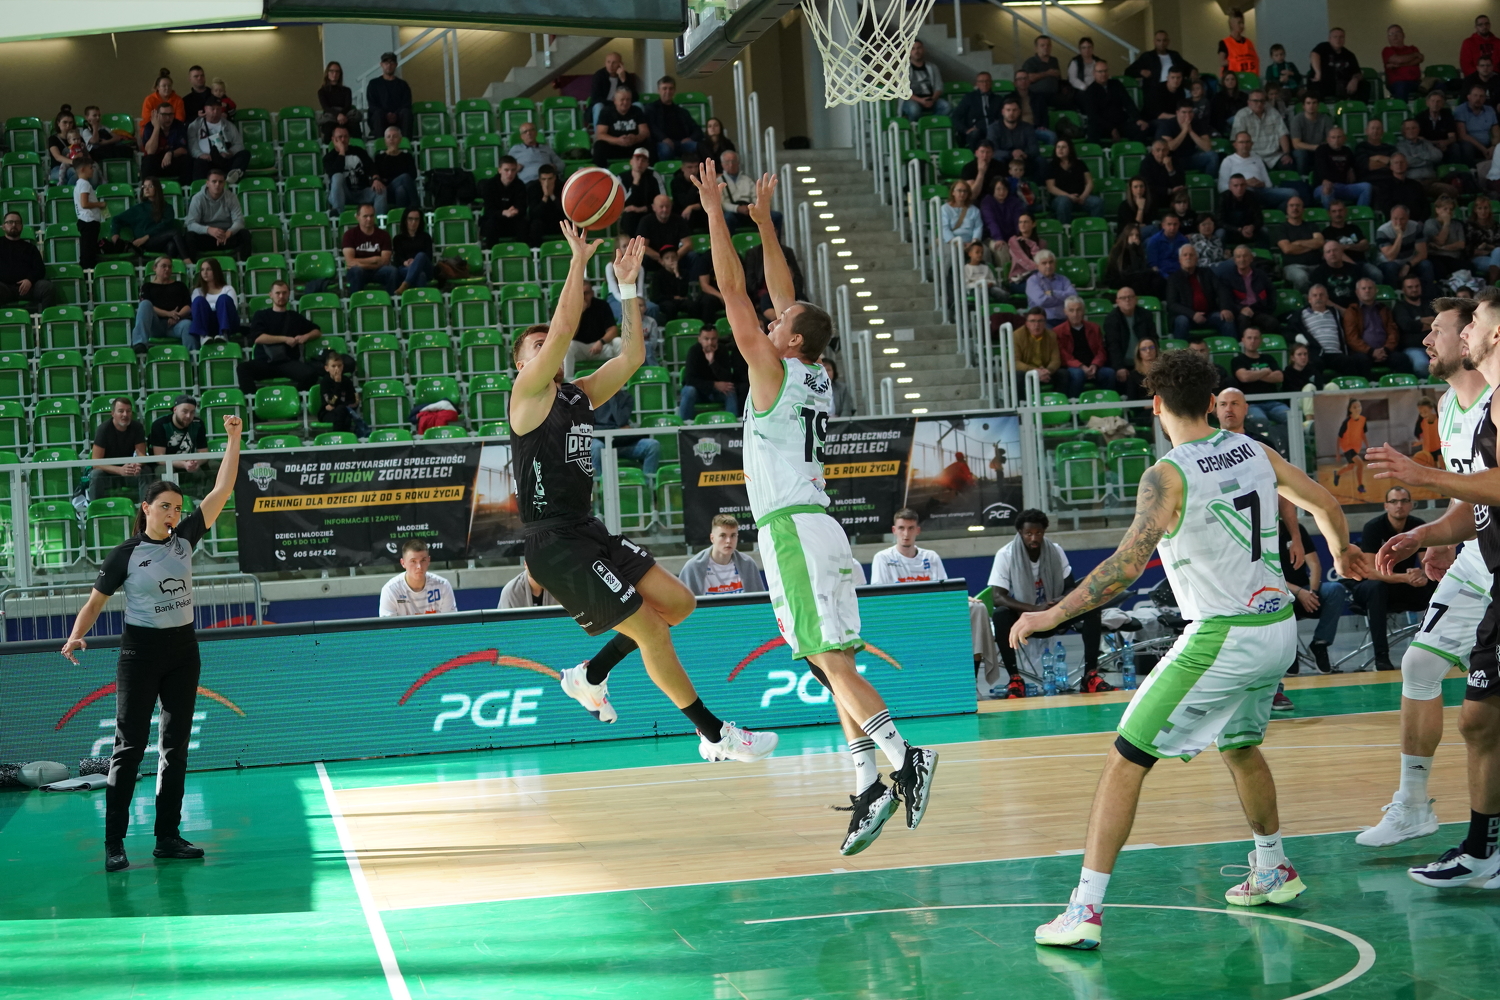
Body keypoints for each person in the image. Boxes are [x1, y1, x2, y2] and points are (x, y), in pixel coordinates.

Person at [1016, 346, 1364, 949]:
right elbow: (1326, 504)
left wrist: (1052, 613)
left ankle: (1084, 910)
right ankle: (1273, 867)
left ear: (1155, 406)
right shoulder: (1254, 449)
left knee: (1125, 759)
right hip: (1279, 629)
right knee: (1241, 745)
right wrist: (1341, 553)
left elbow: (1126, 566)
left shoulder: (1166, 475)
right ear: (1210, 402)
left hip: (1224, 636)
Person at [689, 161, 933, 855]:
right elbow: (784, 297)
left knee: (828, 658)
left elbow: (735, 291)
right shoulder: (815, 372)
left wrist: (715, 213)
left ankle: (905, 757)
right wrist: (764, 223)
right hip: (819, 526)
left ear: (791, 341)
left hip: (792, 530)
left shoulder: (770, 371)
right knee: (833, 664)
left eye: (780, 323)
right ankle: (867, 783)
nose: (771, 320)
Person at [512, 220, 776, 767]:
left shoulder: (577, 394)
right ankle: (714, 734)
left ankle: (590, 674)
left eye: (546, 345)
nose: (546, 348)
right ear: (522, 365)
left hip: (586, 529)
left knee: (679, 603)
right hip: (553, 543)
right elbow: (563, 329)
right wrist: (579, 261)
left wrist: (629, 286)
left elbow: (632, 357)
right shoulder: (527, 393)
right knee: (653, 631)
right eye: (535, 347)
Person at [62, 414, 243, 873]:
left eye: (177, 508)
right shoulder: (125, 554)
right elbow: (95, 602)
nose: (172, 514)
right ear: (146, 509)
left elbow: (222, 489)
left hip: (183, 652)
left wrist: (234, 438)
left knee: (174, 749)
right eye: (165, 506)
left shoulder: (185, 540)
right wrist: (77, 634)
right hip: (140, 655)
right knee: (128, 749)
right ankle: (114, 842)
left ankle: (167, 837)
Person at [1363, 289, 1500, 887]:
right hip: (1479, 555)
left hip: (1495, 561)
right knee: (1426, 670)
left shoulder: (1496, 400)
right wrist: (1432, 535)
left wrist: (1423, 479)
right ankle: (1419, 807)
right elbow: (1470, 493)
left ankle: (1483, 842)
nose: (1431, 338)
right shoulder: (1448, 407)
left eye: (1445, 328)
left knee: (1483, 715)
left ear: (1478, 336)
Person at [871, 508, 1004, 697]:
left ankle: (970, 683)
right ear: (894, 530)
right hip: (902, 618)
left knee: (977, 608)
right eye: (901, 528)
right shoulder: (883, 558)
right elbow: (880, 599)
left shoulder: (930, 557)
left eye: (910, 528)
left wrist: (958, 597)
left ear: (918, 530)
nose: (906, 534)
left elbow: (944, 591)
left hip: (934, 615)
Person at [1350, 486, 1439, 671]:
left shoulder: (1418, 526)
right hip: (1374, 587)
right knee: (1376, 587)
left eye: (1404, 501)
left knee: (1439, 582)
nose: (1399, 505)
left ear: (1411, 505)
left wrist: (1422, 576)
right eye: (1394, 501)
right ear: (1386, 506)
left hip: (1405, 586)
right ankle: (1381, 657)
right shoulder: (1374, 527)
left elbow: (1427, 564)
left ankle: (1439, 651)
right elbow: (1370, 572)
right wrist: (1404, 578)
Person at [237, 280, 322, 397]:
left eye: (284, 293)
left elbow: (317, 331)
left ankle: (293, 399)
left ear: (289, 294)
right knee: (242, 369)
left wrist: (306, 336)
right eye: (278, 293)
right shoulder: (261, 315)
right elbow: (258, 338)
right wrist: (285, 339)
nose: (281, 296)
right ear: (271, 295)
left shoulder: (295, 317)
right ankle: (254, 402)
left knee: (311, 374)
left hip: (288, 362)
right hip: (265, 361)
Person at [1291, 283, 1372, 379]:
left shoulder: (1335, 312)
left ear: (1327, 298)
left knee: (1353, 361)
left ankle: (1355, 387)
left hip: (1336, 353)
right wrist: (1301, 339)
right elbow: (1289, 331)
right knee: (1315, 364)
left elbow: (1352, 317)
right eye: (1315, 295)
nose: (1318, 298)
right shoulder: (1301, 314)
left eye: (1321, 295)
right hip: (1316, 353)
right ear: (1309, 299)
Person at [678, 514, 766, 596]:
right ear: (712, 538)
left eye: (733, 535)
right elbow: (682, 603)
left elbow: (760, 603)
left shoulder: (748, 564)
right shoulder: (693, 567)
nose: (728, 541)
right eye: (723, 535)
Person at [105, 176, 187, 262]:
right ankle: (187, 261)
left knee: (171, 245)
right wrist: (115, 234)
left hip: (158, 241)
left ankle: (170, 267)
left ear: (157, 188)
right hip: (143, 244)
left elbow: (165, 225)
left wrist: (147, 236)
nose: (146, 189)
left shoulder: (167, 207)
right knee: (175, 232)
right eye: (144, 186)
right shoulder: (138, 208)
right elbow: (116, 219)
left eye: (150, 186)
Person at [589, 382, 660, 481]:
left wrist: (612, 398)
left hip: (623, 442)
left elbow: (620, 420)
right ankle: (600, 485)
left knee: (652, 445)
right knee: (597, 447)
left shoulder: (627, 398)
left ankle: (647, 485)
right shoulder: (593, 399)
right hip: (601, 440)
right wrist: (614, 429)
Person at [1166, 242, 1236, 341]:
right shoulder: (1174, 278)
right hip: (1186, 316)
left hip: (1208, 314)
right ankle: (1181, 350)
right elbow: (1172, 304)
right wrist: (1193, 314)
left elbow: (1222, 290)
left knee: (1227, 319)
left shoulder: (1207, 272)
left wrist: (1224, 308)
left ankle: (1232, 348)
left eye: (1191, 255)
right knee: (1181, 321)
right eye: (1185, 255)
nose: (1188, 257)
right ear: (1180, 260)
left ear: (1196, 259)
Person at [1344, 277, 1414, 374]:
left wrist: (1386, 349)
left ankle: (1403, 385)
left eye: (1370, 288)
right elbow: (1352, 338)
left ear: (1376, 290)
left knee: (1401, 359)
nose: (1367, 290)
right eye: (1363, 288)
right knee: (1360, 361)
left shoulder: (1384, 309)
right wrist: (1371, 351)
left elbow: (1393, 332)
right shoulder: (1352, 311)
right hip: (1363, 352)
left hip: (1385, 351)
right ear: (1357, 292)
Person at [678, 323, 745, 420]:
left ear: (717, 339)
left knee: (730, 390)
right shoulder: (694, 351)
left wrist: (712, 363)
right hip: (699, 391)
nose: (710, 342)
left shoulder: (722, 350)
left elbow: (727, 377)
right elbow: (689, 379)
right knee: (689, 391)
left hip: (717, 392)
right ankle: (684, 424)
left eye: (713, 339)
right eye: (706, 339)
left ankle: (732, 423)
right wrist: (714, 385)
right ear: (699, 339)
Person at [1219, 132, 1301, 210]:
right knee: (1249, 192)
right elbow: (1222, 187)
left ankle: (1277, 213)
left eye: (1247, 142)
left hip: (1261, 191)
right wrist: (1244, 184)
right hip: (1243, 194)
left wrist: (1261, 183)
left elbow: (1268, 184)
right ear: (1235, 144)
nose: (1244, 145)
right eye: (1241, 142)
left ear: (1252, 144)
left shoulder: (1257, 158)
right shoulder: (1228, 161)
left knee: (1292, 193)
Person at [183, 168, 250, 260]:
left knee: (244, 234)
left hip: (226, 236)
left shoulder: (231, 197)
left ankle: (245, 265)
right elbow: (191, 224)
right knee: (189, 237)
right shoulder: (197, 198)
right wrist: (209, 230)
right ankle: (193, 267)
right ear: (207, 183)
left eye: (220, 182)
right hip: (206, 236)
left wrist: (229, 232)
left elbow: (239, 221)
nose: (217, 184)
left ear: (224, 183)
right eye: (214, 181)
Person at [149, 394, 209, 495]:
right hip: (168, 464)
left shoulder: (198, 423)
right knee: (163, 471)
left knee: (214, 466)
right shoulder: (160, 424)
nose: (188, 416)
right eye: (185, 411)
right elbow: (160, 458)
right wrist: (183, 464)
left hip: (190, 462)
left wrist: (196, 462)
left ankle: (207, 499)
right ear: (175, 409)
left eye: (192, 412)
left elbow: (204, 453)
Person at [378, 539, 457, 616]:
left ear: (428, 560)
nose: (419, 566)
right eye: (413, 561)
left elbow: (450, 622)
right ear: (403, 563)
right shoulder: (391, 590)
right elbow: (388, 625)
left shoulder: (443, 586)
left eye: (423, 560)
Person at [89, 397, 147, 501]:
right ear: (113, 413)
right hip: (109, 473)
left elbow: (142, 456)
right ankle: (95, 508)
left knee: (145, 471)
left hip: (129, 471)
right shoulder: (103, 429)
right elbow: (96, 463)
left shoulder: (137, 427)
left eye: (128, 411)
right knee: (96, 474)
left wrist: (137, 465)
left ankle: (146, 508)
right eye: (121, 411)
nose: (125, 414)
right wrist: (119, 470)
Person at [1054, 296, 1111, 398]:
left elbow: (1101, 351)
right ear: (1065, 312)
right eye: (1071, 310)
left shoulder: (1094, 328)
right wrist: (1081, 366)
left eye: (1078, 310)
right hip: (1072, 367)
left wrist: (1095, 365)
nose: (1075, 314)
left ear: (1084, 311)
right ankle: (1073, 404)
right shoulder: (1058, 331)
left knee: (1109, 373)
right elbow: (1063, 355)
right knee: (1078, 375)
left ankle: (1107, 402)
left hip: (1093, 365)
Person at [132, 255, 193, 352]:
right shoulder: (147, 286)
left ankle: (192, 356)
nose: (167, 269)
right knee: (145, 304)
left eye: (169, 267)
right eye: (163, 266)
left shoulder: (180, 286)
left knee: (188, 324)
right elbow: (148, 307)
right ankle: (139, 343)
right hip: (155, 325)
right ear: (155, 268)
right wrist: (168, 314)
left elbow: (188, 305)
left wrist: (177, 316)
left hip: (176, 324)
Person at [1082, 59, 1147, 143]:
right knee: (1092, 131)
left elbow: (1128, 103)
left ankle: (1134, 150)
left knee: (1141, 128)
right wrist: (1111, 129)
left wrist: (1138, 119)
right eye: (1100, 71)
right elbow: (1093, 115)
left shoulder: (1116, 84)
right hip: (1102, 126)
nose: (1103, 74)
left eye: (1105, 71)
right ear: (1094, 73)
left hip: (1120, 123)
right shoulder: (1090, 91)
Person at [1231, 327, 1286, 426]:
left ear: (1260, 340)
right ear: (1243, 340)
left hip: (1274, 402)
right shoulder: (1238, 360)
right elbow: (1244, 377)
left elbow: (1279, 377)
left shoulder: (1268, 358)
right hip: (1251, 404)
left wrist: (1253, 375)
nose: (1252, 341)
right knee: (1260, 421)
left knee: (1292, 417)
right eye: (1249, 338)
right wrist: (1265, 371)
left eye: (1256, 338)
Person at [325, 126, 384, 217]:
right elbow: (335, 172)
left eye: (346, 136)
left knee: (381, 189)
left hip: (362, 191)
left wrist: (376, 179)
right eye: (340, 137)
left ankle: (377, 220)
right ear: (333, 139)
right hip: (343, 193)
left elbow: (371, 166)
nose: (343, 139)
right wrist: (342, 152)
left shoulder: (359, 151)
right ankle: (338, 215)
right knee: (337, 176)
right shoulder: (329, 157)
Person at [0, 211, 53, 311]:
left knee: (47, 287)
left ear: (22, 226)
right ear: (3, 226)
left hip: (28, 288)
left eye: (17, 222)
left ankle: (47, 318)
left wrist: (29, 280)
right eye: (10, 222)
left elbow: (40, 269)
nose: (14, 225)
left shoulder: (30, 248)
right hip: (4, 288)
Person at [342, 203, 399, 295]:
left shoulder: (384, 235)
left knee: (392, 271)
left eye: (371, 216)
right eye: (365, 216)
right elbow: (350, 261)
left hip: (378, 271)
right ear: (357, 217)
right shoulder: (349, 235)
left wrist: (361, 264)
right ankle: (356, 301)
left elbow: (385, 261)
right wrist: (374, 260)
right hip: (360, 271)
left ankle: (391, 300)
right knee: (356, 271)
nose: (369, 219)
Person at [1044, 137, 1103, 225]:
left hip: (1080, 197)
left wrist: (1083, 197)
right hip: (1061, 198)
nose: (1060, 150)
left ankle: (1096, 227)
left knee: (1097, 202)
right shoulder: (1052, 166)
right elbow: (1051, 187)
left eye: (1063, 147)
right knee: (1063, 202)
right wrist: (1069, 196)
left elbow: (1089, 182)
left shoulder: (1079, 163)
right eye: (1058, 147)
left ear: (1070, 149)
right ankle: (1065, 229)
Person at [186, 98, 246, 183]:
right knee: (198, 163)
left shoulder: (229, 125)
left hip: (224, 158)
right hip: (206, 159)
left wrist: (231, 152)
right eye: (212, 109)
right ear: (205, 109)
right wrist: (200, 154)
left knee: (245, 154)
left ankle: (232, 176)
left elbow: (239, 144)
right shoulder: (195, 125)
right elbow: (192, 144)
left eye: (218, 109)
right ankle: (199, 187)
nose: (215, 112)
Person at [1272, 196, 1325, 292]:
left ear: (1303, 209)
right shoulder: (1281, 228)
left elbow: (1320, 242)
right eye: (1291, 205)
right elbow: (1287, 249)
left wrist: (1298, 243)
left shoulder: (1312, 226)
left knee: (1327, 275)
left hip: (1316, 265)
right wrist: (1311, 246)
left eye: (1298, 205)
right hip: (1292, 266)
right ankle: (1304, 299)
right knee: (1301, 277)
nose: (1295, 208)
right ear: (1287, 209)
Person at [1375, 205, 1435, 290]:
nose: (1398, 222)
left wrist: (1408, 265)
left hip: (1409, 260)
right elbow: (1391, 257)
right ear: (1391, 218)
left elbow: (1422, 254)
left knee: (1426, 265)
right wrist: (1399, 236)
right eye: (1395, 219)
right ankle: (1395, 293)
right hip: (1388, 262)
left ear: (1408, 218)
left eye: (1402, 219)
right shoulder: (1382, 231)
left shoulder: (1416, 227)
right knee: (1391, 267)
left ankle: (1427, 294)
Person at [1231, 90, 1293, 171]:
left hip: (1275, 156)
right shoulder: (1241, 115)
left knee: (1289, 166)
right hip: (1253, 156)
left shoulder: (1273, 112)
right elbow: (1238, 141)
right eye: (1255, 101)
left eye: (1262, 101)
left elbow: (1282, 134)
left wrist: (1286, 154)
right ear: (1249, 102)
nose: (1259, 104)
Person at [644, 75, 700, 162]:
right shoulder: (651, 109)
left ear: (674, 91)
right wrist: (664, 138)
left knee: (698, 146)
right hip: (661, 143)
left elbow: (696, 129)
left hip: (682, 143)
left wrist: (691, 139)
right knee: (666, 150)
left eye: (671, 88)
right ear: (658, 90)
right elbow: (651, 127)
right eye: (664, 88)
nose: (668, 91)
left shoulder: (682, 111)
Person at [1313, 126, 1371, 209]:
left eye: (1339, 137)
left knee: (1366, 187)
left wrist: (1352, 169)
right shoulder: (1321, 150)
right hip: (1323, 187)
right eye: (1333, 137)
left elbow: (1354, 167)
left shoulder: (1347, 151)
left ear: (1344, 139)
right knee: (1327, 187)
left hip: (1344, 186)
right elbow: (1321, 170)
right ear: (1328, 139)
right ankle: (1332, 215)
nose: (1336, 140)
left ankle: (1359, 212)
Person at [1223, 246, 1277, 334]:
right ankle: (1244, 342)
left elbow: (1271, 293)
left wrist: (1267, 309)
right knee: (1243, 320)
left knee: (1272, 322)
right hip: (1239, 312)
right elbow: (1226, 299)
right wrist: (1241, 309)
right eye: (1238, 257)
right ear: (1234, 260)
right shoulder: (1227, 277)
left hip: (1258, 310)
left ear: (1251, 258)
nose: (1242, 259)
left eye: (1245, 256)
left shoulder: (1261, 275)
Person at [1012, 307, 1063, 396]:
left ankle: (1059, 401)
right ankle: (1021, 404)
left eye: (1040, 321)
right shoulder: (1016, 335)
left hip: (1045, 371)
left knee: (1063, 374)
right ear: (1026, 323)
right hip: (1027, 372)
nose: (1036, 325)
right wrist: (1035, 371)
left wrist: (1048, 371)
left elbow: (1056, 360)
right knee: (1018, 375)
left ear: (1045, 323)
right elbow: (1015, 362)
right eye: (1032, 321)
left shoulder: (1051, 335)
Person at [593, 86, 648, 167]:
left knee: (649, 143)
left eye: (628, 99)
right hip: (613, 146)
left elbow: (645, 132)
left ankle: (650, 170)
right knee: (599, 146)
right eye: (622, 100)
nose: (625, 102)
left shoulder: (637, 111)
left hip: (633, 146)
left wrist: (635, 138)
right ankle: (601, 172)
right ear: (614, 101)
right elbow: (600, 135)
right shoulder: (606, 112)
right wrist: (617, 140)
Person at [1103, 286, 1151, 382]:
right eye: (1123, 298)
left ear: (1136, 299)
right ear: (1117, 302)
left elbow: (1152, 339)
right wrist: (1119, 367)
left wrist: (1151, 362)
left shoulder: (1145, 315)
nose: (1127, 300)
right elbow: (1113, 345)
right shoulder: (1111, 319)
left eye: (1130, 297)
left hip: (1143, 361)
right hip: (1123, 364)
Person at [479, 155, 528, 247]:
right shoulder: (489, 185)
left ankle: (522, 251)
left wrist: (516, 210)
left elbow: (522, 206)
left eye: (513, 170)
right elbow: (489, 209)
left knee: (524, 224)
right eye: (506, 170)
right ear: (499, 170)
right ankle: (491, 252)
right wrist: (503, 212)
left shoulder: (520, 185)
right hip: (495, 219)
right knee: (491, 224)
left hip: (514, 219)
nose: (510, 173)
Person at [188, 257, 238, 345]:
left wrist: (217, 307)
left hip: (227, 322)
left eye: (208, 269)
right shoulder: (198, 291)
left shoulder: (228, 289)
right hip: (207, 322)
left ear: (215, 271)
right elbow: (196, 311)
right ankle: (203, 337)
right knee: (198, 300)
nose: (205, 272)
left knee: (223, 298)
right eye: (202, 270)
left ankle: (224, 334)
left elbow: (233, 308)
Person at [988, 96, 1042, 176]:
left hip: (1023, 158)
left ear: (1019, 112)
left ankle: (1039, 184)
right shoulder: (993, 128)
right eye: (1008, 110)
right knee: (997, 160)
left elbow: (1034, 148)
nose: (1011, 113)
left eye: (1014, 110)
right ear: (1003, 112)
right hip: (1004, 158)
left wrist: (1023, 154)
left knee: (1040, 160)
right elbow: (993, 151)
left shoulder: (1027, 127)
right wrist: (1011, 153)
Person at [140, 102, 190, 187]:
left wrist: (170, 153)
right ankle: (147, 189)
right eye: (164, 115)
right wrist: (156, 128)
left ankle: (184, 190)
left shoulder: (179, 125)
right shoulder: (149, 126)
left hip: (172, 160)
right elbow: (150, 151)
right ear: (157, 115)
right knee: (148, 161)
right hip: (156, 162)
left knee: (187, 160)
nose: (168, 118)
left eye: (171, 114)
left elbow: (184, 149)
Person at [1020, 35, 1063, 132]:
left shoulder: (1054, 60)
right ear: (1036, 48)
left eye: (1048, 45)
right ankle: (1043, 129)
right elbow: (1028, 78)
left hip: (1054, 94)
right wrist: (1047, 73)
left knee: (1070, 102)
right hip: (1037, 95)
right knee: (1040, 101)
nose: (1046, 48)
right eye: (1042, 45)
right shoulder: (1030, 62)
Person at [618, 148, 665, 238]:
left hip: (650, 211)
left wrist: (641, 209)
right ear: (631, 161)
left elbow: (663, 200)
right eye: (637, 159)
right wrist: (635, 182)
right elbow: (623, 203)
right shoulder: (621, 177)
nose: (640, 163)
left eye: (643, 161)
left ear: (647, 164)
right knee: (628, 216)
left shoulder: (654, 176)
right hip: (630, 214)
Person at [1310, 27, 1365, 102]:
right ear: (1329, 39)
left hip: (1343, 84)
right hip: (1324, 82)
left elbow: (1358, 73)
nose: (1338, 40)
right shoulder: (1323, 47)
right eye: (1335, 37)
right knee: (1316, 85)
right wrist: (1318, 73)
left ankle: (1359, 107)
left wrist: (1355, 80)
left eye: (1341, 37)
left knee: (1364, 85)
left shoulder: (1349, 54)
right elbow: (1314, 55)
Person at [365, 52, 412, 140]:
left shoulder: (403, 85)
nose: (389, 65)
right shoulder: (374, 84)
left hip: (399, 117)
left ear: (396, 65)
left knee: (406, 112)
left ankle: (406, 143)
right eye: (386, 62)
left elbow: (406, 103)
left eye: (392, 62)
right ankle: (379, 144)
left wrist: (395, 114)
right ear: (381, 64)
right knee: (377, 114)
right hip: (380, 117)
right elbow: (372, 105)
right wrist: (386, 114)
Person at [1127, 30, 1197, 88]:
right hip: (1155, 91)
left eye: (1164, 40)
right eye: (1159, 40)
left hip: (1175, 90)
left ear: (1168, 42)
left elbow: (1186, 66)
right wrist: (1141, 71)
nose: (1162, 43)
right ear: (1154, 42)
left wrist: (1192, 70)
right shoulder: (1147, 56)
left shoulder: (1174, 55)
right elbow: (1129, 70)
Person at [589, 51, 641, 127]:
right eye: (608, 62)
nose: (611, 65)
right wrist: (615, 104)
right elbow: (595, 98)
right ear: (605, 63)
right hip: (605, 105)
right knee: (598, 106)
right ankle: (598, 133)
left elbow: (635, 98)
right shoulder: (599, 75)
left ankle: (640, 132)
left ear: (620, 64)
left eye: (614, 63)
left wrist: (623, 80)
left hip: (623, 105)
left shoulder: (626, 75)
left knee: (638, 105)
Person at [955, 73, 1006, 151]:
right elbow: (956, 117)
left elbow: (1003, 116)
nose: (984, 84)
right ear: (977, 84)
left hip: (994, 129)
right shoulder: (969, 98)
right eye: (981, 81)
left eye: (987, 81)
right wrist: (965, 130)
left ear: (991, 83)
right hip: (976, 131)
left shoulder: (998, 99)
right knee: (975, 134)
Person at [373, 125, 419, 211]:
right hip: (387, 190)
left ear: (400, 140)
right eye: (388, 137)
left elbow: (413, 175)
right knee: (404, 177)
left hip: (403, 190)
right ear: (385, 140)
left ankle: (400, 214)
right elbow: (379, 174)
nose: (391, 139)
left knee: (401, 190)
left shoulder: (407, 156)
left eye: (394, 136)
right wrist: (388, 156)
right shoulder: (380, 157)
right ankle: (416, 205)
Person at [1025, 250, 1077, 325]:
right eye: (1044, 263)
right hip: (1042, 321)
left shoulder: (1063, 279)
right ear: (1037, 266)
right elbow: (1042, 301)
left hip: (1064, 319)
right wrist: (1063, 299)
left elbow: (1073, 296)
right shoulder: (1032, 281)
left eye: (1051, 262)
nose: (1048, 266)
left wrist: (1053, 293)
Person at [316, 60, 363, 142]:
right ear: (327, 73)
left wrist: (342, 115)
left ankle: (357, 148)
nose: (334, 74)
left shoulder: (347, 90)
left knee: (355, 126)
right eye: (332, 71)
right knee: (328, 129)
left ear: (340, 74)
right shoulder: (322, 91)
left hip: (345, 115)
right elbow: (326, 107)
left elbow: (348, 105)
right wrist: (338, 115)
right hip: (331, 117)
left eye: (337, 71)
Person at [1104, 225, 1157, 297]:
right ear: (1126, 236)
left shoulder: (1138, 249)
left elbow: (1141, 267)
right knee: (1142, 281)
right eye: (1131, 235)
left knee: (1154, 277)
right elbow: (1127, 270)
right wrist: (1132, 248)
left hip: (1131, 276)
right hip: (1117, 278)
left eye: (1137, 235)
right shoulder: (1118, 250)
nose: (1135, 237)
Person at [1289, 94, 1335, 175]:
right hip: (1304, 150)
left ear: (1318, 105)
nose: (1311, 106)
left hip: (1320, 149)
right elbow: (1296, 144)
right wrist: (1317, 147)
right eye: (1308, 103)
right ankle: (1302, 178)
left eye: (1314, 103)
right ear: (1303, 106)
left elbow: (1331, 139)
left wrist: (1322, 147)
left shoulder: (1325, 119)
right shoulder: (1296, 120)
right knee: (1301, 154)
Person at [1424, 196, 1467, 283]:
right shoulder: (1430, 223)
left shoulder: (1458, 224)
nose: (1448, 212)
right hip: (1437, 256)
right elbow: (1440, 241)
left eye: (1451, 209)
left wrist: (1442, 248)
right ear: (1437, 210)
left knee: (1469, 267)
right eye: (1445, 209)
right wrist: (1446, 223)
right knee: (1439, 268)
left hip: (1453, 257)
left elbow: (1461, 244)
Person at [1454, 85, 1499, 168]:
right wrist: (1483, 149)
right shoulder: (1461, 110)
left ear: (1485, 98)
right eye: (1475, 95)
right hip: (1470, 144)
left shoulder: (1490, 110)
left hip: (1488, 144)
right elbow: (1463, 135)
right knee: (1467, 147)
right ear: (1469, 97)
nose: (1478, 99)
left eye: (1481, 96)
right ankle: (1471, 170)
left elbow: (1496, 133)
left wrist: (1493, 146)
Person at [1310, 240, 1364, 307]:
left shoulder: (1355, 269)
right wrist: (1342, 310)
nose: (1332, 253)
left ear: (1341, 252)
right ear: (1324, 256)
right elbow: (1319, 298)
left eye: (1335, 250)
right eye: (1328, 251)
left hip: (1355, 308)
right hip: (1330, 309)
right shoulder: (1318, 273)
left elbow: (1364, 291)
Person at [391, 207, 433, 294]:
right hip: (405, 267)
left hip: (425, 267)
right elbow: (398, 257)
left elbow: (429, 257)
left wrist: (415, 261)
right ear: (405, 220)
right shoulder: (398, 239)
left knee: (421, 255)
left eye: (416, 219)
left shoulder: (426, 237)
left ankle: (405, 284)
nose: (413, 222)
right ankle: (420, 299)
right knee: (420, 275)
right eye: (410, 219)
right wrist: (405, 262)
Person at [73, 158, 104, 272]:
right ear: (83, 169)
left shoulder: (79, 184)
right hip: (89, 221)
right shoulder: (85, 184)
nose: (92, 170)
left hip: (84, 220)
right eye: (90, 168)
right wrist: (99, 204)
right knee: (88, 252)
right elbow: (84, 203)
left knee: (87, 249)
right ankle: (88, 272)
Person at [1382, 24, 1427, 102]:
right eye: (1391, 34)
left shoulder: (1413, 48)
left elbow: (1420, 58)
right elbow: (1399, 60)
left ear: (1403, 35)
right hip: (1398, 83)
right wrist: (1414, 55)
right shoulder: (1387, 50)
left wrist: (1400, 65)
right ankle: (1402, 109)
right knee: (1401, 87)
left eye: (1397, 32)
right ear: (1388, 38)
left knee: (1438, 85)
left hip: (1417, 83)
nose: (1395, 36)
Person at [527, 164, 567, 249]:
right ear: (539, 179)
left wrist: (552, 196)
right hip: (542, 222)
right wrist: (545, 197)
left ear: (555, 178)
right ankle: (536, 252)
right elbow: (534, 214)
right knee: (535, 225)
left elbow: (565, 211)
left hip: (558, 221)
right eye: (544, 179)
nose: (547, 182)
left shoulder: (562, 187)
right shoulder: (533, 188)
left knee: (569, 223)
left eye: (550, 179)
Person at [1218, 175, 1263, 248]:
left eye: (1242, 185)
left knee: (1264, 231)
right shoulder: (1223, 198)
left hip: (1249, 231)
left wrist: (1252, 227)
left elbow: (1259, 218)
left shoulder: (1252, 197)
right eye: (1236, 185)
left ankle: (1263, 253)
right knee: (1220, 233)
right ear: (1230, 187)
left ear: (1246, 186)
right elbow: (1220, 222)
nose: (1239, 188)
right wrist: (1239, 229)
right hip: (1230, 231)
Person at [139, 68, 185, 133]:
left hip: (172, 129)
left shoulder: (178, 100)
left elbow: (179, 119)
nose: (167, 88)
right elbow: (147, 119)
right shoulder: (149, 99)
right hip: (152, 128)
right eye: (164, 86)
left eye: (169, 86)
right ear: (158, 87)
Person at [1006, 212, 1045, 289]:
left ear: (1033, 224)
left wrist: (1031, 244)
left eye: (1026, 222)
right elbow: (1024, 261)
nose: (1022, 224)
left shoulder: (1042, 243)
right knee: (1039, 287)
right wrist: (1039, 267)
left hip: (1036, 277)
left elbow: (1040, 260)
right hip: (1019, 280)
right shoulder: (1013, 241)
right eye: (1020, 222)